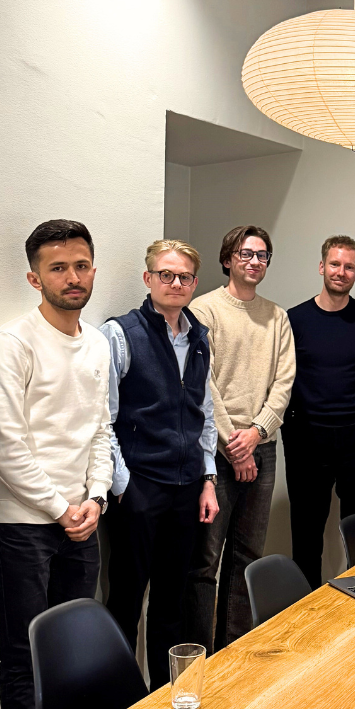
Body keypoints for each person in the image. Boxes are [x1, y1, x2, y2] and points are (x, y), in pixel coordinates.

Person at [0, 220, 112, 709]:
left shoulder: (99, 342)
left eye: (81, 265)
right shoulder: (12, 344)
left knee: (76, 653)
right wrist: (61, 509)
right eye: (58, 267)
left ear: (93, 271)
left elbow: (102, 430)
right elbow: (4, 446)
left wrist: (97, 498)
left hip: (83, 520)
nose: (72, 277)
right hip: (21, 527)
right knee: (24, 660)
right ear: (35, 278)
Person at [99, 239, 218, 686]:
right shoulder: (121, 333)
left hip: (187, 487)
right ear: (148, 279)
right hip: (139, 487)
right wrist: (123, 483)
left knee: (172, 602)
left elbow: (203, 415)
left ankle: (166, 697)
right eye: (165, 274)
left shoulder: (200, 338)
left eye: (184, 276)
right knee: (126, 601)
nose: (175, 283)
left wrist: (207, 479)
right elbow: (103, 417)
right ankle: (121, 705)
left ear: (194, 283)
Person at [186, 225, 295, 651]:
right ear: (228, 258)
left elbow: (284, 382)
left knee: (247, 556)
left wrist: (257, 433)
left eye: (263, 255)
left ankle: (233, 651)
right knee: (205, 563)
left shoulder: (277, 316)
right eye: (246, 254)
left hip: (263, 449)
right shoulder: (204, 310)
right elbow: (203, 383)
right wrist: (235, 443)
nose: (254, 261)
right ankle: (199, 658)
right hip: (217, 454)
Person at [283, 236, 355, 589]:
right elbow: (283, 379)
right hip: (308, 440)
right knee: (306, 536)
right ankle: (306, 613)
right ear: (321, 267)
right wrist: (290, 430)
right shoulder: (294, 319)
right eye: (334, 264)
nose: (340, 272)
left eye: (348, 267)